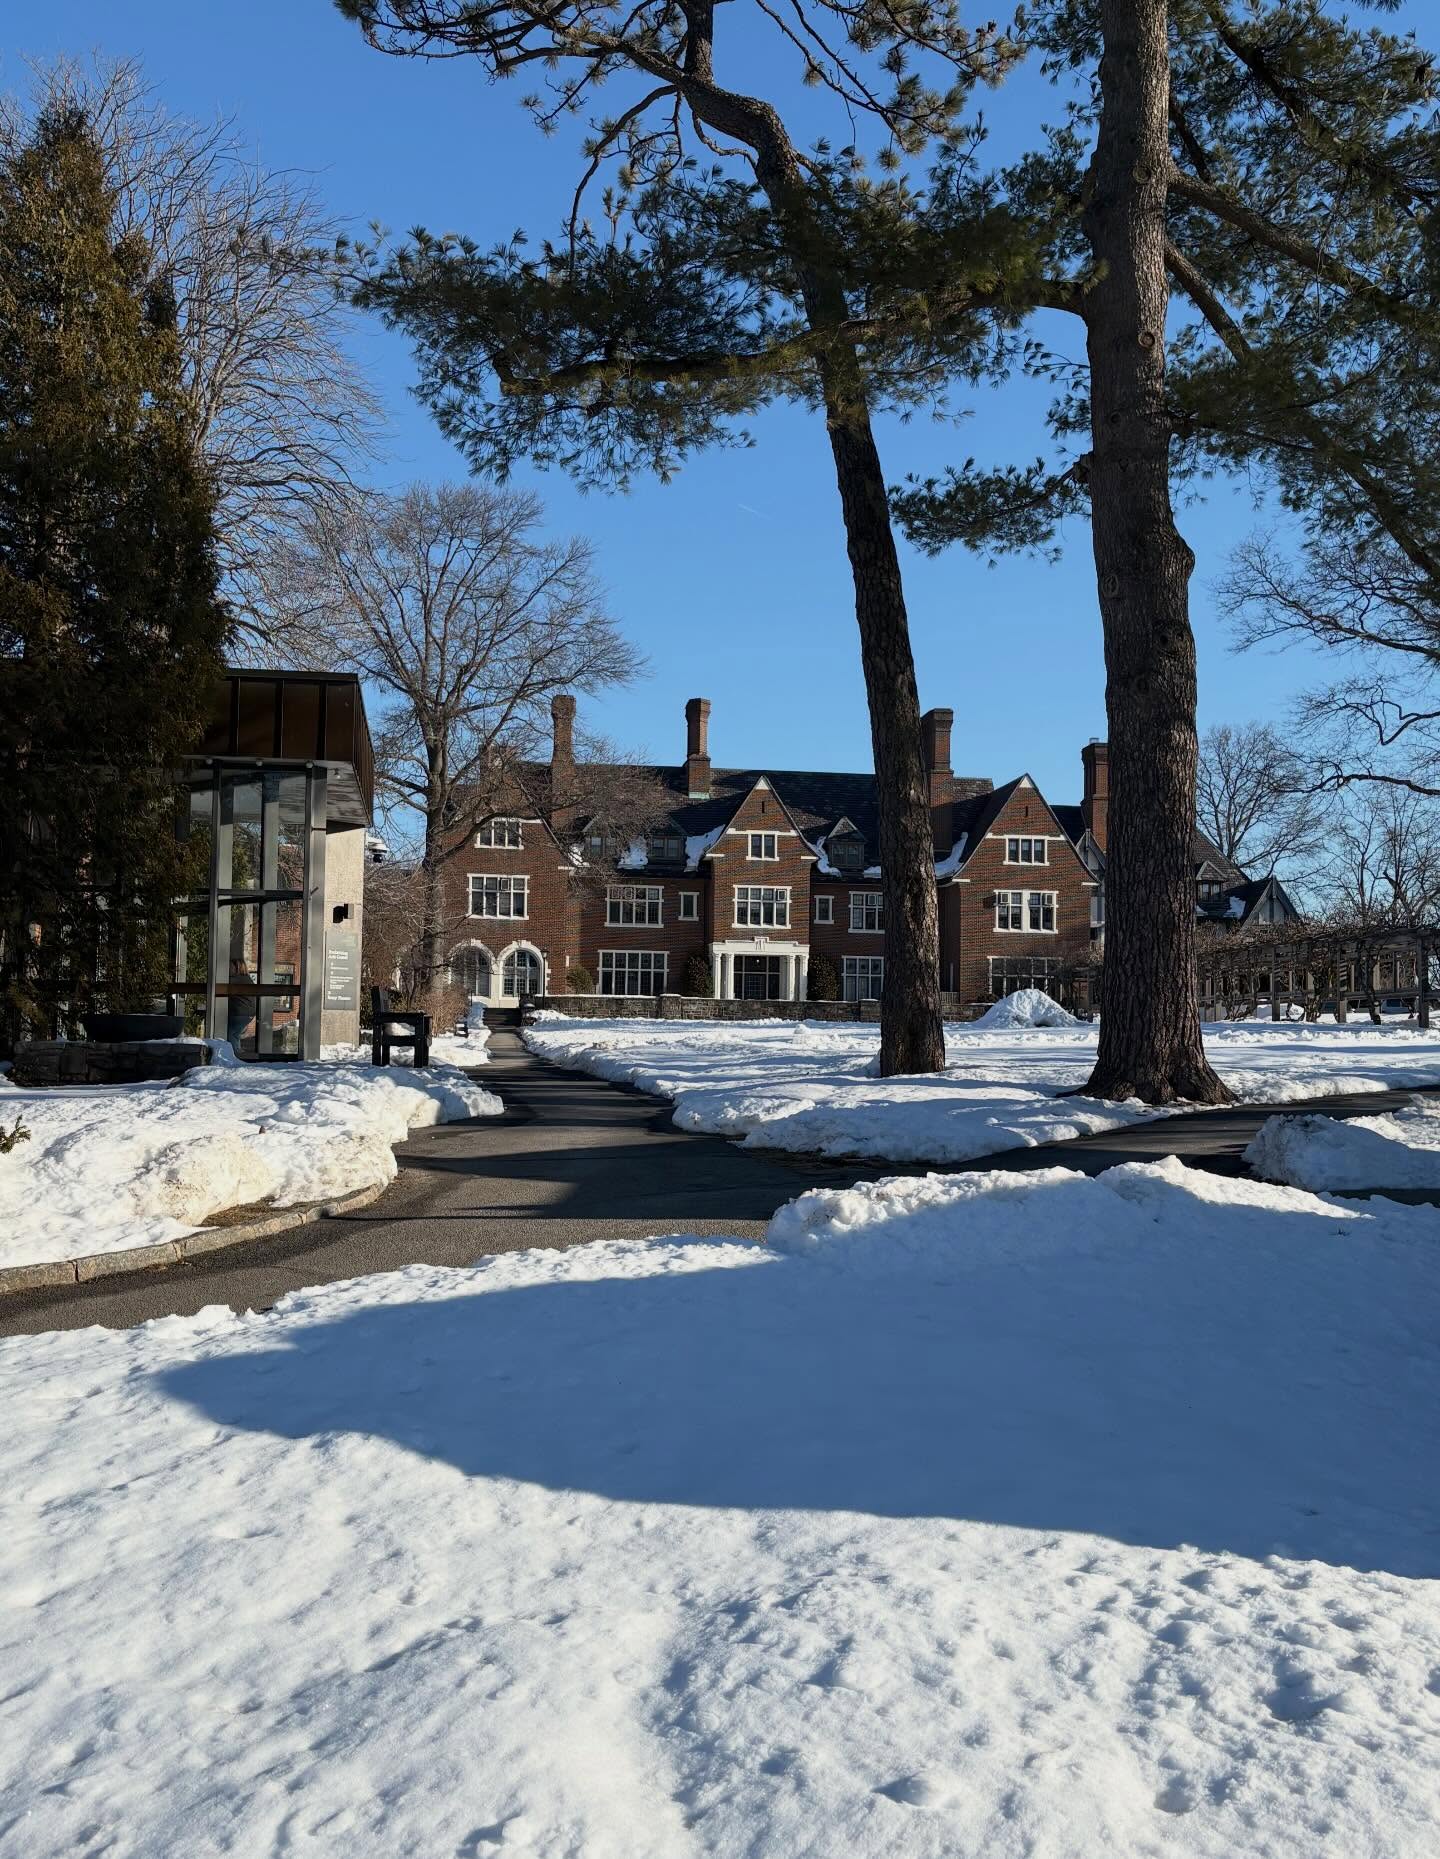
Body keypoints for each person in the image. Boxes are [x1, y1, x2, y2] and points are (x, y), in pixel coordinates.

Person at [226, 954, 258, 1050]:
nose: (229, 969)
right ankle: (238, 1054)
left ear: (237, 968)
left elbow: (220, 981)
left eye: (230, 966)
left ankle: (234, 1056)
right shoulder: (246, 979)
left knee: (231, 1035)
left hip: (240, 1013)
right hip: (248, 1014)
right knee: (235, 1035)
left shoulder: (237, 979)